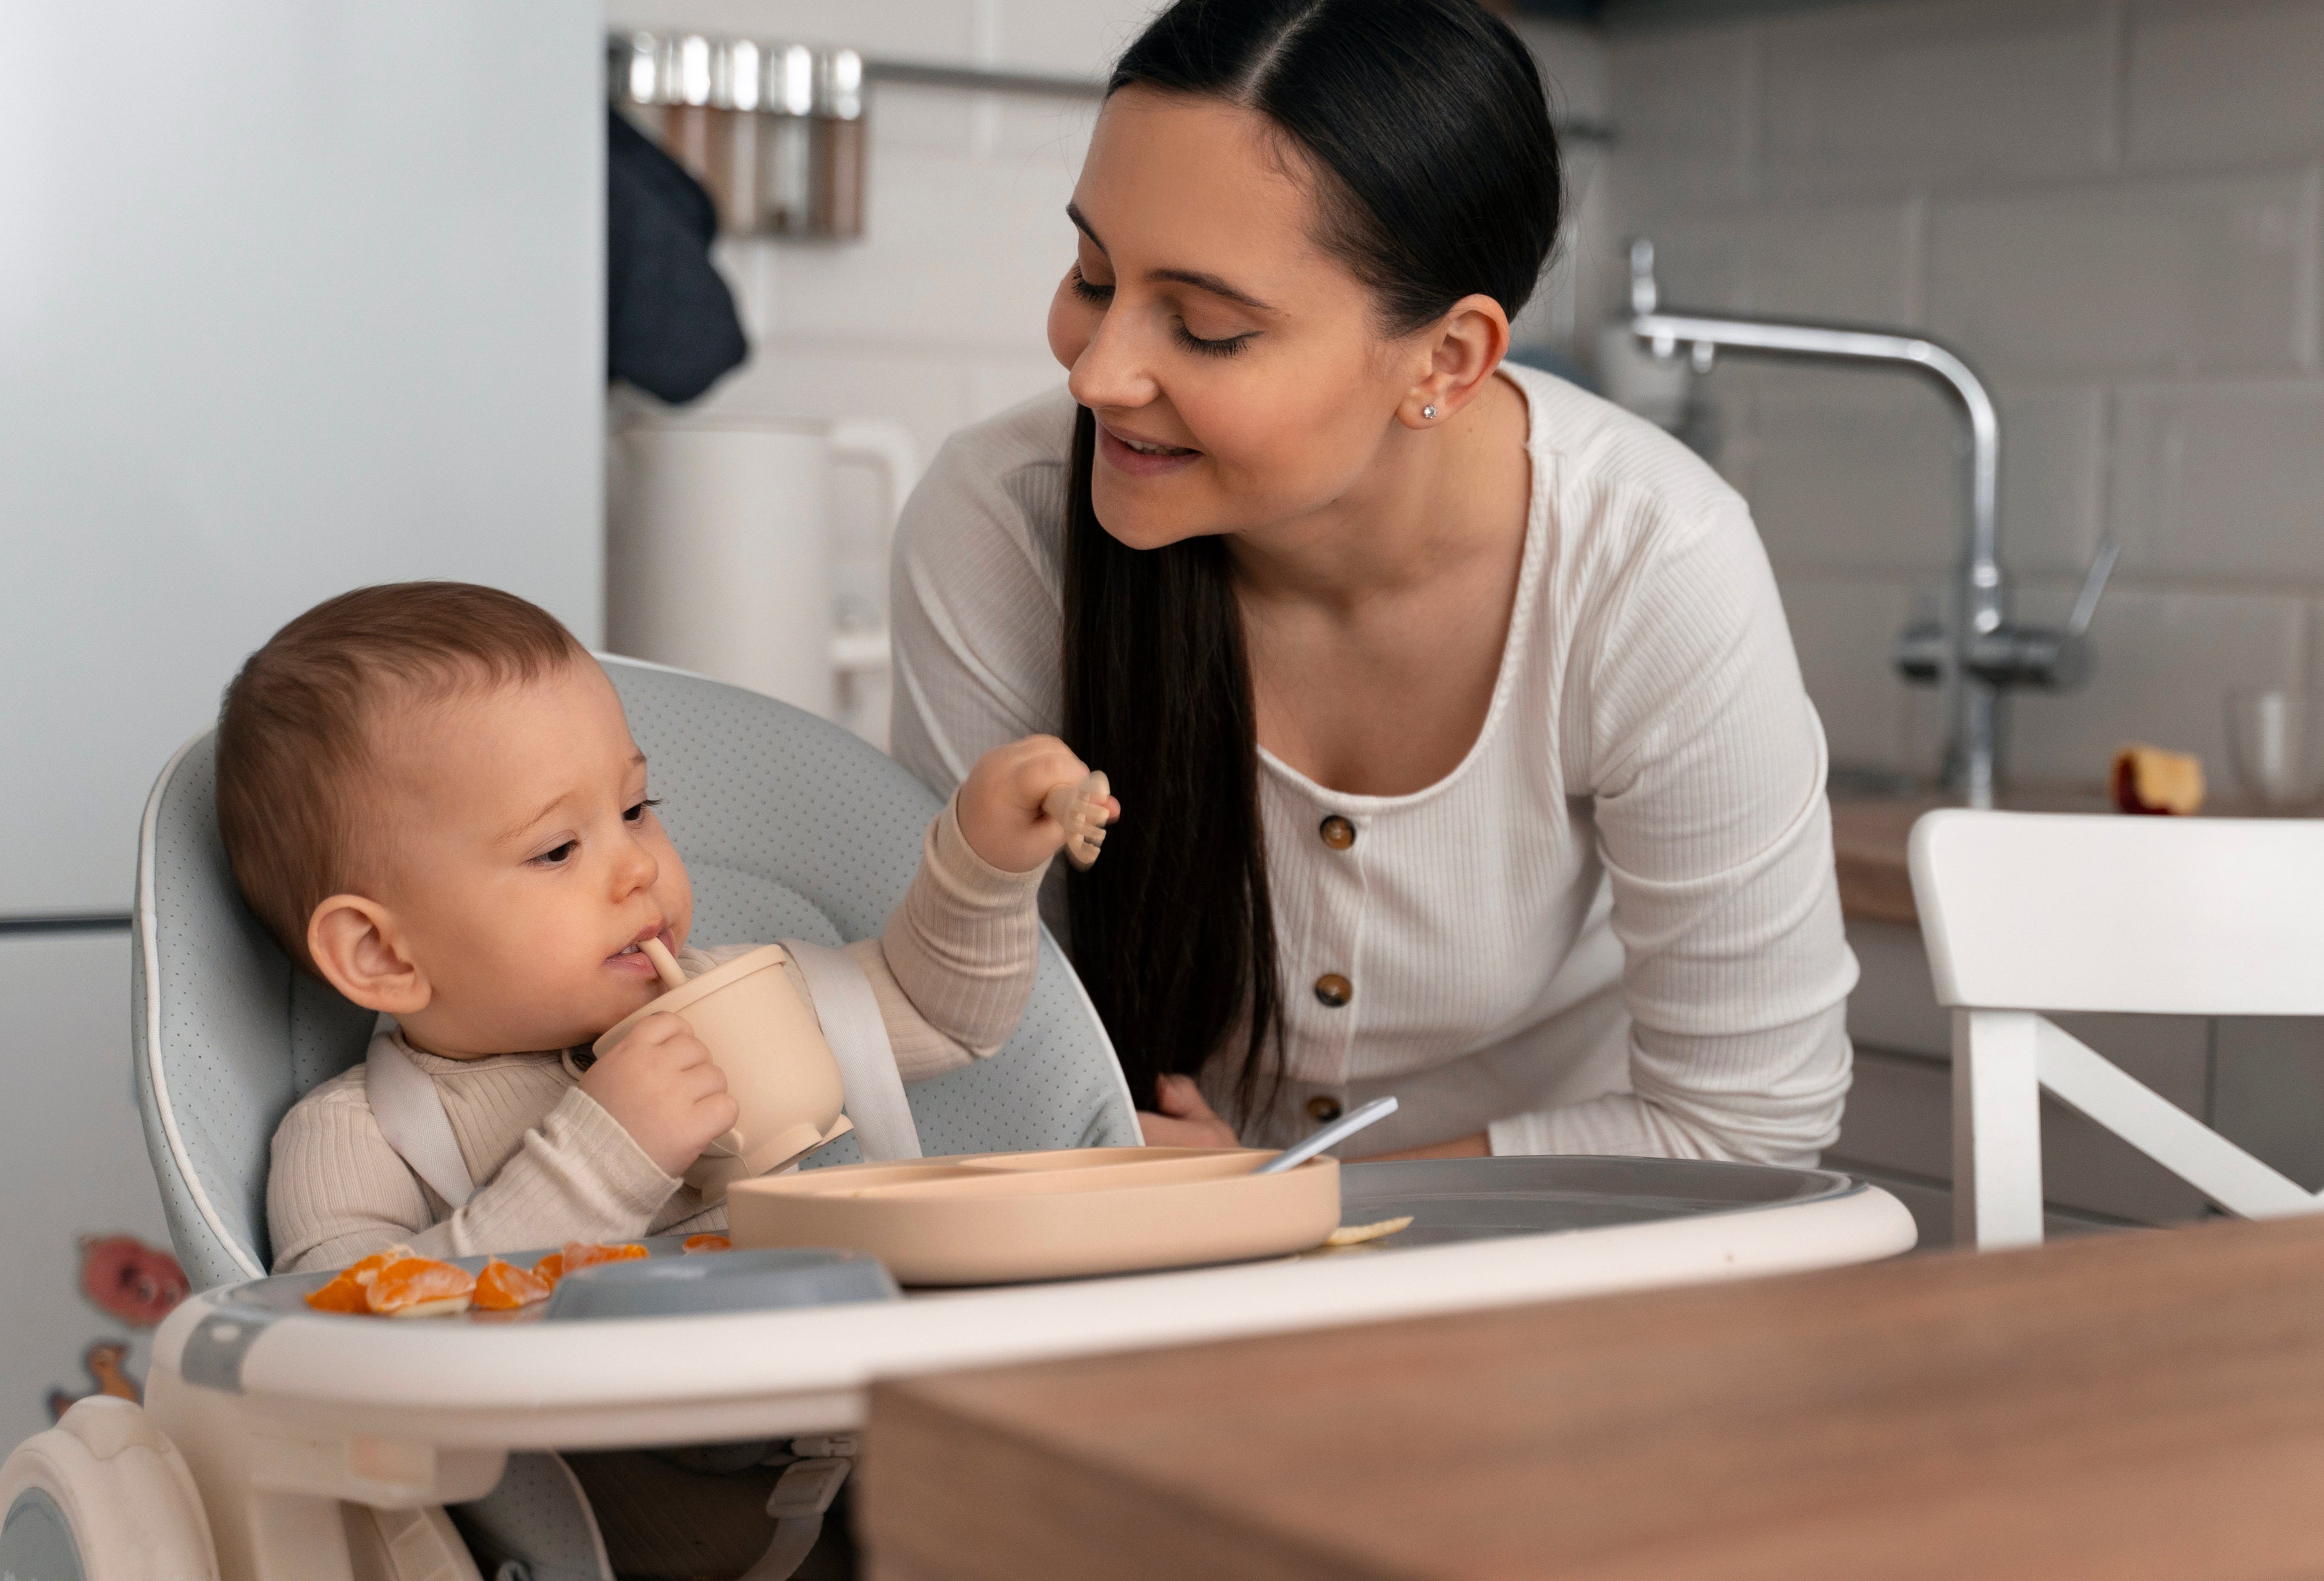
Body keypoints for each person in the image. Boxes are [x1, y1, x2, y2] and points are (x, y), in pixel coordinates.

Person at [889, 0, 1858, 1165]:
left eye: (1203, 329)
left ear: (1445, 360)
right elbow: (959, 1033)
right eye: (1094, 276)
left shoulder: (1651, 565)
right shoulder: (1003, 517)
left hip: (1554, 1262)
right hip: (1142, 1261)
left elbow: (1750, 1127)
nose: (1097, 375)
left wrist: (1288, 1199)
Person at [222, 582, 1105, 1273]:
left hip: (855, 1446)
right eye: (559, 849)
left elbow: (941, 1013)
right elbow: (345, 1351)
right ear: (381, 954)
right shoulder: (362, 1136)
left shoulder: (735, 999)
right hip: (594, 1502)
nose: (638, 865)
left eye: (638, 807)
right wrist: (601, 1159)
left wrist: (983, 861)